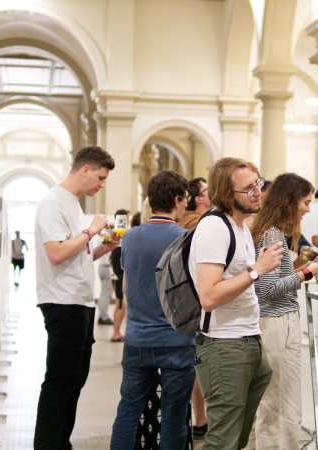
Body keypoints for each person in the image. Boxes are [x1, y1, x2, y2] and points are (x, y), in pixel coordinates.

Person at [188, 157, 283, 450]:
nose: (258, 192)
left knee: (236, 438)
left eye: (258, 184)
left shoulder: (240, 226)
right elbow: (209, 296)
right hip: (224, 345)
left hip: (246, 339)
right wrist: (257, 269)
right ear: (228, 195)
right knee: (222, 441)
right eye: (248, 188)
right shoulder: (214, 228)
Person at [33, 146, 117, 450]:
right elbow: (55, 253)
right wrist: (91, 230)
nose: (101, 184)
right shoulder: (53, 202)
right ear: (85, 169)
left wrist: (102, 247)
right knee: (59, 381)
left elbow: (76, 254)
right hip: (62, 302)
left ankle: (60, 441)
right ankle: (48, 444)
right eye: (100, 177)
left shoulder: (74, 204)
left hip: (81, 302)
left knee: (74, 380)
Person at [249, 173, 318, 450]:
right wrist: (310, 272)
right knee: (281, 405)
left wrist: (312, 263)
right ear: (289, 201)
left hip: (276, 323)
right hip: (276, 324)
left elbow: (275, 280)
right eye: (305, 202)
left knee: (278, 403)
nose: (308, 209)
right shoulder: (272, 235)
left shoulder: (272, 231)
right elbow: (267, 290)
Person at [110, 171, 196, 449]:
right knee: (174, 413)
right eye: (185, 200)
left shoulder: (130, 237)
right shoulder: (186, 238)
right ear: (177, 199)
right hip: (177, 340)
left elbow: (125, 286)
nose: (186, 206)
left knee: (128, 410)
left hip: (137, 337)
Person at [178, 177, 211, 439]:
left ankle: (198, 416)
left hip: (187, 301)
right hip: (195, 301)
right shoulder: (197, 224)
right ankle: (199, 417)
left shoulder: (193, 222)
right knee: (196, 365)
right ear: (198, 198)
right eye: (207, 191)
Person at [109, 209, 136, 343]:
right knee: (120, 302)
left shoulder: (123, 233)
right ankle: (115, 332)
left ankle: (117, 331)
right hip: (118, 259)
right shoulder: (117, 233)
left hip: (118, 259)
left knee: (122, 302)